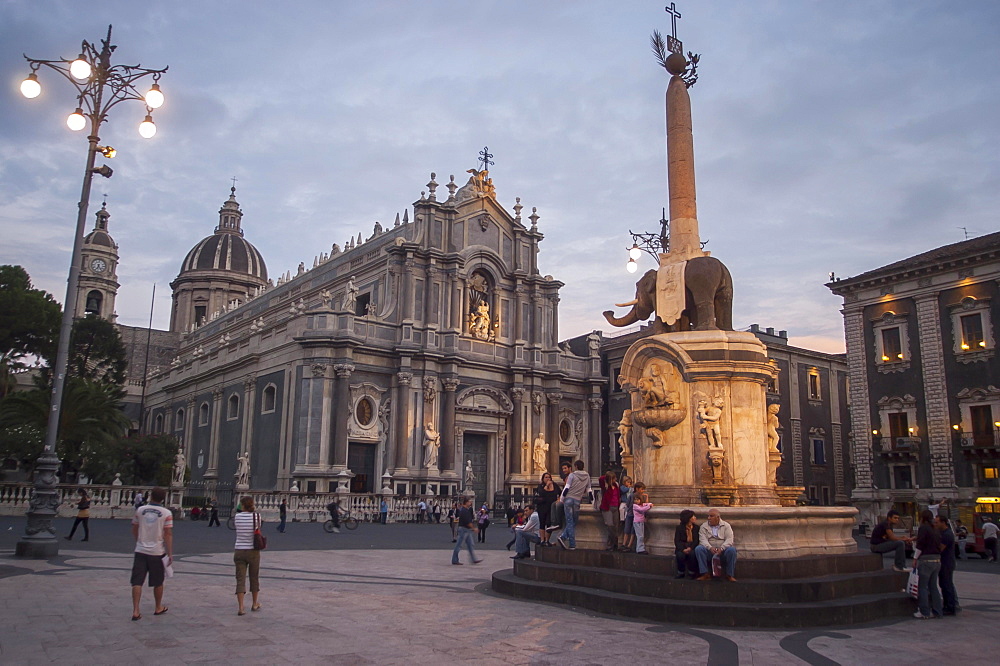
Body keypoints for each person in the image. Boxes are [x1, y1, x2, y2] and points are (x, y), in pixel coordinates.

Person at [130, 487, 172, 621]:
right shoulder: (166, 513)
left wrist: (139, 541)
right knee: (158, 581)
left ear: (150, 496)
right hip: (157, 551)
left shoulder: (140, 510)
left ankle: (136, 610)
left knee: (137, 581)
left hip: (141, 550)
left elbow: (134, 528)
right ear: (163, 498)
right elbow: (168, 534)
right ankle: (158, 606)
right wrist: (170, 553)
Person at [233, 495, 263, 616]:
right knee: (254, 577)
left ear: (242, 505)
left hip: (239, 549)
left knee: (240, 579)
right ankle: (255, 603)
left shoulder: (237, 517)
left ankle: (241, 607)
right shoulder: (257, 516)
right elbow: (258, 529)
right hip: (253, 550)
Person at [912, 509, 944, 619]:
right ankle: (937, 610)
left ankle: (924, 612)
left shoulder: (923, 528)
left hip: (926, 559)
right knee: (933, 586)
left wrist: (915, 558)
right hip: (937, 559)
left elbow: (920, 545)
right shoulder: (934, 529)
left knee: (923, 587)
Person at [556, 460, 591, 550]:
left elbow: (566, 488)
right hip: (577, 500)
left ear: (575, 466)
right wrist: (593, 501)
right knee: (574, 521)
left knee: (570, 521)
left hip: (568, 499)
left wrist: (562, 499)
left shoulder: (572, 475)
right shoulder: (587, 476)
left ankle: (571, 543)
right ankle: (564, 537)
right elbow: (589, 490)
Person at [696, 508, 738, 582]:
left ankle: (729, 575)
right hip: (709, 550)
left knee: (732, 550)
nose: (709, 518)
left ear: (717, 517)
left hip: (723, 550)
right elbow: (702, 539)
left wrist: (722, 548)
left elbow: (729, 539)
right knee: (699, 549)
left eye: (711, 516)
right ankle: (705, 574)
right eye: (708, 516)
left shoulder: (726, 526)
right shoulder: (703, 526)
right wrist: (710, 548)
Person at [934, 515, 960, 616]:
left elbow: (940, 548)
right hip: (944, 562)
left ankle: (950, 607)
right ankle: (948, 605)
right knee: (944, 584)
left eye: (937, 522)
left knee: (947, 584)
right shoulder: (942, 532)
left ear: (943, 523)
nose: (935, 524)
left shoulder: (947, 534)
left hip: (947, 562)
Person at [452, 497, 482, 565]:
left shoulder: (463, 510)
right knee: (459, 545)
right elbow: (468, 522)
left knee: (470, 545)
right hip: (464, 529)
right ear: (466, 502)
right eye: (470, 501)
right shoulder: (465, 511)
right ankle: (454, 559)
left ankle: (473, 559)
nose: (471, 503)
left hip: (465, 529)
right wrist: (474, 528)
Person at [533, 472, 561, 547]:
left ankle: (547, 540)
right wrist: (547, 486)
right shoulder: (541, 486)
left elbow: (560, 493)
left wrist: (558, 499)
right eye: (546, 477)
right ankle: (542, 540)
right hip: (542, 507)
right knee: (542, 523)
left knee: (549, 523)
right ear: (543, 479)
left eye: (549, 477)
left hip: (551, 507)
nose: (548, 479)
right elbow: (542, 493)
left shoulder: (555, 486)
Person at [547, 461, 573, 532]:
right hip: (565, 497)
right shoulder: (566, 477)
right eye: (563, 469)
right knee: (553, 504)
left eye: (565, 468)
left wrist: (561, 499)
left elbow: (568, 490)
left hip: (570, 498)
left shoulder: (571, 477)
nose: (564, 470)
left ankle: (559, 523)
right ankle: (554, 523)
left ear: (570, 468)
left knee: (558, 505)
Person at [599, 470, 621, 551]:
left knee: (615, 526)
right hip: (607, 507)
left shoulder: (616, 485)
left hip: (615, 507)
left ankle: (611, 545)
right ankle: (615, 541)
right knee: (609, 525)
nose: (615, 480)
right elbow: (600, 479)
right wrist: (608, 476)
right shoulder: (605, 487)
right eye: (613, 478)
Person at [674, 509, 699, 578]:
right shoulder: (679, 528)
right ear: (688, 518)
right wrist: (683, 549)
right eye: (693, 517)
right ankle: (680, 572)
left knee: (693, 554)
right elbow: (677, 541)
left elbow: (696, 540)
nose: (695, 518)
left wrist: (690, 548)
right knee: (680, 555)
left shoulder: (696, 528)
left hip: (692, 546)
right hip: (683, 546)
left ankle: (692, 572)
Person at [632, 484, 652, 554]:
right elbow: (642, 509)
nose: (636, 501)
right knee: (640, 536)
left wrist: (649, 503)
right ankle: (640, 549)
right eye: (635, 500)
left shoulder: (640, 504)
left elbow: (645, 504)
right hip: (637, 522)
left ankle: (640, 548)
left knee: (641, 536)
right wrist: (649, 506)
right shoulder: (635, 506)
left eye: (638, 500)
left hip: (641, 521)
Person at [619, 476, 636, 553]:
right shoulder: (623, 488)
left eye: (630, 482)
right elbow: (624, 490)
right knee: (621, 509)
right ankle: (622, 518)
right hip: (624, 503)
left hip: (629, 508)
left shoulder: (632, 492)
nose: (629, 484)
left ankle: (627, 545)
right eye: (627, 482)